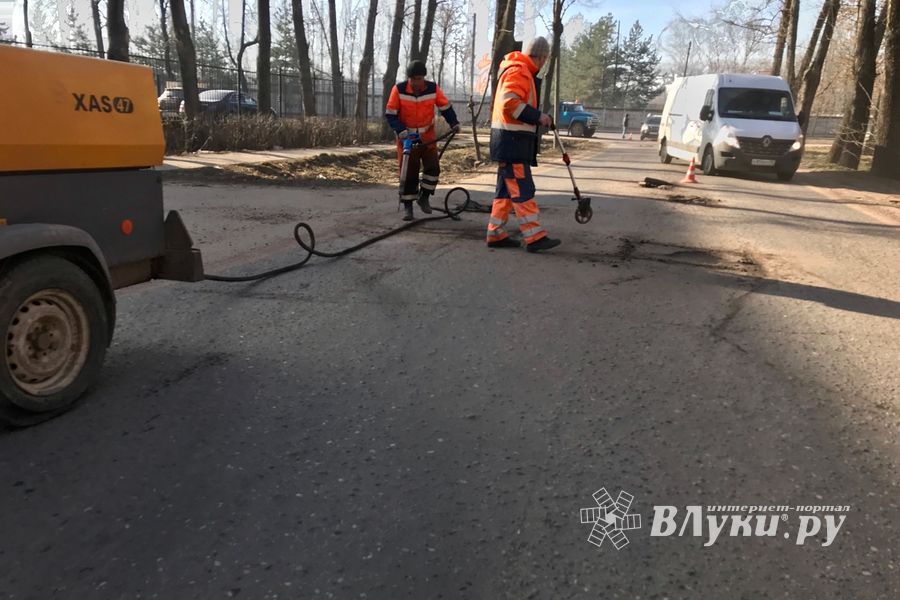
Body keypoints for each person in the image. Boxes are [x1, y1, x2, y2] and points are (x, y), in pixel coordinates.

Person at [486, 37, 560, 253]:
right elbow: (509, 103)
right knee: (523, 189)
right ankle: (535, 237)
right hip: (512, 143)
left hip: (509, 143)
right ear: (542, 56)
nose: (544, 63)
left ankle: (496, 233)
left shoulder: (519, 70)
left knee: (505, 193)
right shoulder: (520, 71)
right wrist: (538, 116)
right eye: (545, 58)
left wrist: (538, 117)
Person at [385, 60, 460, 221]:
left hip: (427, 138)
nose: (416, 82)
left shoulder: (433, 89)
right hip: (407, 139)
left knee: (433, 169)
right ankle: (408, 208)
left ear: (424, 78)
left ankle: (424, 197)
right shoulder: (399, 90)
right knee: (408, 174)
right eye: (413, 79)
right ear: (409, 78)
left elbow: (445, 107)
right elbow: (390, 114)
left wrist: (454, 123)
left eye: (419, 79)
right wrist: (401, 130)